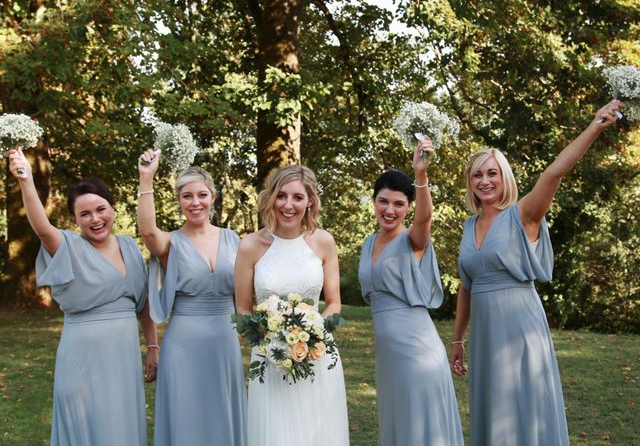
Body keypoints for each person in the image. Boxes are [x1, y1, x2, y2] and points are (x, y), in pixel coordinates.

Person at [451, 100, 625, 445]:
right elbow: (466, 287)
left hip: (520, 326)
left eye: (492, 173)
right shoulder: (468, 227)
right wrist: (457, 339)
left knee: (523, 404)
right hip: (485, 333)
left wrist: (595, 126)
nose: (485, 181)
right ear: (470, 182)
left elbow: (554, 173)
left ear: (504, 178)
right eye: (478, 174)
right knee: (493, 408)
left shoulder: (523, 214)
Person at [8, 147, 158, 446]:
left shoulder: (130, 246)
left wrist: (152, 345)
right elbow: (41, 228)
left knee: (121, 427)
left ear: (112, 208)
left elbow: (144, 305)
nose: (95, 219)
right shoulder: (67, 245)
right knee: (86, 427)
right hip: (82, 360)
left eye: (101, 209)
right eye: (84, 214)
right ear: (75, 219)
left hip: (124, 357)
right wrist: (26, 180)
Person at [358, 138, 464, 446]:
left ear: (407, 207)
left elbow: (425, 218)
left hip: (417, 351)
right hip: (388, 355)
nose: (389, 210)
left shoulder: (412, 240)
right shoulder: (367, 243)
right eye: (383, 201)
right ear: (374, 201)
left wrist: (421, 176)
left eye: (398, 204)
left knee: (422, 428)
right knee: (399, 425)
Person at [137, 150, 247, 446]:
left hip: (224, 340)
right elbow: (148, 231)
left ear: (212, 197)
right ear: (179, 201)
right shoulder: (170, 242)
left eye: (202, 195)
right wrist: (146, 178)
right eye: (187, 196)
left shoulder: (233, 239)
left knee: (222, 414)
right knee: (186, 416)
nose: (195, 202)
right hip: (183, 344)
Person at [235, 164, 349, 446]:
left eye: (297, 197)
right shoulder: (250, 245)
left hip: (318, 356)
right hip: (269, 360)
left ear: (310, 200)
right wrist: (272, 340)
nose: (288, 205)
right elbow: (243, 309)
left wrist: (313, 335)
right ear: (271, 197)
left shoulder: (323, 242)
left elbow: (334, 303)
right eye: (281, 195)